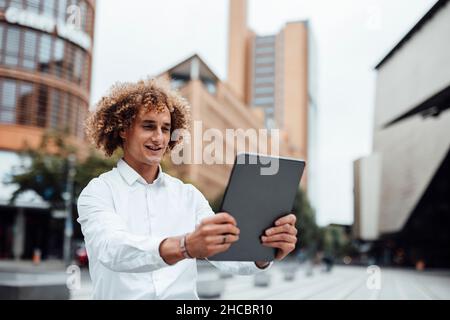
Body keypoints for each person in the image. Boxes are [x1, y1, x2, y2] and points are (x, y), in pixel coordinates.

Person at [77, 78, 298, 299]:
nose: (159, 138)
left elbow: (224, 251)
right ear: (123, 129)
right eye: (148, 126)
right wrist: (185, 246)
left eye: (165, 128)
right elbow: (112, 248)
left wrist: (263, 252)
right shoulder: (98, 192)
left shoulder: (189, 196)